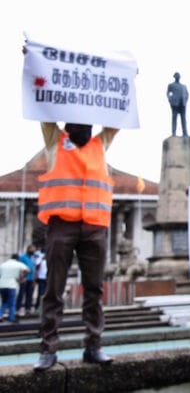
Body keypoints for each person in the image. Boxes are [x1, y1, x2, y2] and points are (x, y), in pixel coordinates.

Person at [33, 121, 119, 371]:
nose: (85, 127)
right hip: (62, 225)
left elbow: (116, 120)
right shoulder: (54, 141)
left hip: (94, 226)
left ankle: (93, 346)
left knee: (94, 290)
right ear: (68, 125)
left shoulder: (99, 144)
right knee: (54, 289)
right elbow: (44, 114)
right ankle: (48, 349)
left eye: (88, 123)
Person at [0, 253, 29, 323]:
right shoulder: (18, 264)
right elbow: (27, 270)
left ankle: (0, 316)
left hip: (2, 285)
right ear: (17, 259)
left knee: (4, 302)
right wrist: (21, 278)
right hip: (12, 285)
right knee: (12, 303)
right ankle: (11, 318)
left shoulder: (3, 264)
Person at [15, 244, 36, 317]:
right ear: (28, 249)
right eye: (32, 249)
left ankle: (28, 309)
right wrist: (20, 277)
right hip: (24, 278)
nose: (33, 251)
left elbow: (33, 269)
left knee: (29, 295)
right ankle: (17, 310)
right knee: (21, 294)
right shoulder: (22, 257)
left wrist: (34, 280)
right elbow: (19, 267)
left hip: (31, 279)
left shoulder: (32, 258)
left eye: (34, 250)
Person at [167, 72, 189, 137]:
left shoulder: (184, 86)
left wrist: (185, 100)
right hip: (175, 104)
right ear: (174, 77)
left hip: (183, 104)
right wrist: (170, 100)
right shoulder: (171, 85)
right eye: (176, 76)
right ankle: (174, 133)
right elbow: (168, 93)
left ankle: (185, 133)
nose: (178, 77)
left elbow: (187, 94)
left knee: (183, 119)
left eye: (178, 76)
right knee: (174, 118)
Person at [33, 248, 48, 314]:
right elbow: (36, 265)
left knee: (45, 293)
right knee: (41, 293)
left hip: (47, 278)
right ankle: (38, 307)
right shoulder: (41, 259)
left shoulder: (47, 259)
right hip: (42, 278)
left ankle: (44, 307)